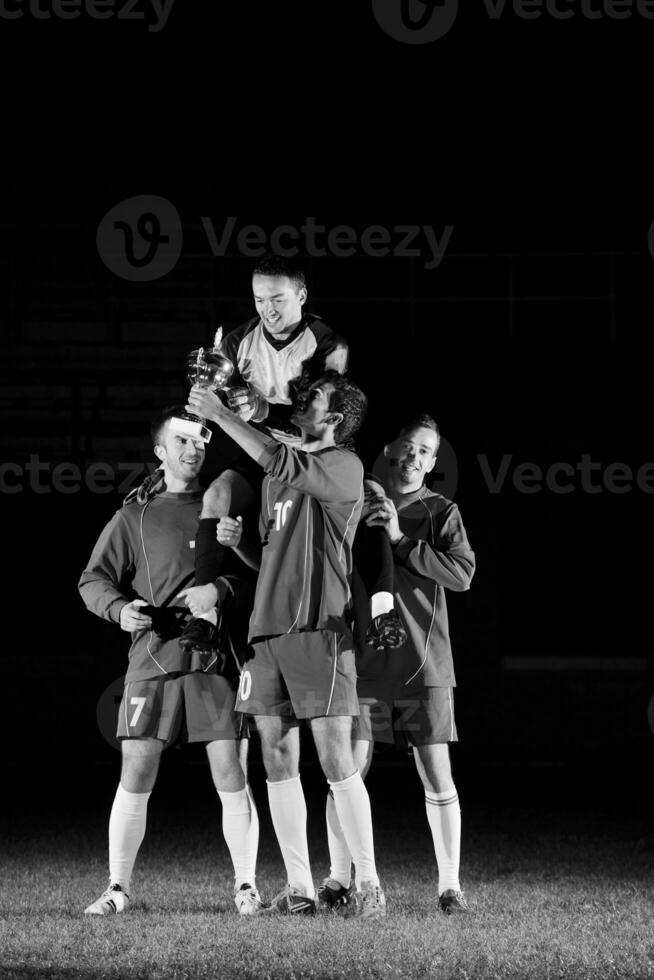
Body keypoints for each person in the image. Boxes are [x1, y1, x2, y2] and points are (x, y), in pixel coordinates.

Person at [186, 371, 386, 919]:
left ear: (336, 419)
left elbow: (277, 459)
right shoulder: (279, 479)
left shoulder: (345, 467)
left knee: (335, 759)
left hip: (320, 631)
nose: (301, 401)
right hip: (265, 635)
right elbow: (272, 554)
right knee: (275, 759)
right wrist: (242, 544)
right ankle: (299, 889)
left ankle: (368, 883)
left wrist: (223, 415)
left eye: (314, 398)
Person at [78, 406, 261, 916]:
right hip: (151, 658)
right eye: (180, 440)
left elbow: (261, 578)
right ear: (160, 451)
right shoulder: (133, 516)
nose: (193, 448)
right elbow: (93, 580)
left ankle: (246, 887)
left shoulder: (227, 506)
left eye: (200, 439)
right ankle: (117, 888)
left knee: (232, 771)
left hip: (216, 661)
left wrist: (225, 580)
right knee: (136, 769)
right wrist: (120, 610)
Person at [180, 254, 405, 655]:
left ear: (302, 295)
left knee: (370, 504)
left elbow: (322, 410)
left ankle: (383, 607)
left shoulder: (327, 342)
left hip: (316, 447)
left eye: (278, 299)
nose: (268, 309)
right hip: (264, 449)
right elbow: (226, 403)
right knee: (216, 497)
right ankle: (205, 616)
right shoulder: (236, 341)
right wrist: (217, 404)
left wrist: (263, 409)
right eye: (259, 299)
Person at [318, 415, 475, 916]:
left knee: (435, 772)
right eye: (408, 448)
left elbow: (462, 574)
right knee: (347, 768)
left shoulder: (440, 510)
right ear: (388, 449)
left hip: (423, 665)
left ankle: (450, 886)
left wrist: (402, 539)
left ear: (433, 463)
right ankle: (339, 878)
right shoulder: (355, 502)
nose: (414, 458)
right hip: (360, 663)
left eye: (425, 452)